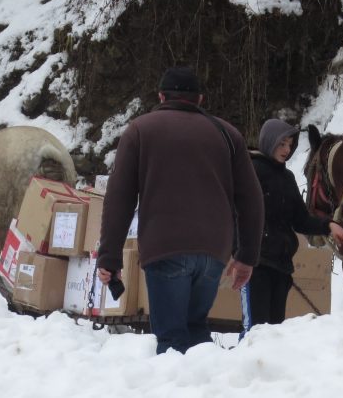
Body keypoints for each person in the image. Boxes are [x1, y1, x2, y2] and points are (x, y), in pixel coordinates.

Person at [97, 66, 264, 354]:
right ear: (200, 99)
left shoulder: (140, 130)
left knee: (172, 338)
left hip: (165, 247)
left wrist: (110, 257)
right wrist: (246, 257)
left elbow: (119, 198)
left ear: (161, 96)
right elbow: (252, 198)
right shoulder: (227, 134)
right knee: (196, 327)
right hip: (213, 252)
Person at [241, 119, 343, 331]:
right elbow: (237, 213)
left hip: (281, 267)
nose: (287, 149)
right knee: (254, 332)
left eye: (290, 144)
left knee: (274, 333)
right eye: (282, 144)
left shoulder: (287, 177)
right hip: (256, 266)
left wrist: (329, 226)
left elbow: (300, 220)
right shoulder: (251, 171)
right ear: (269, 142)